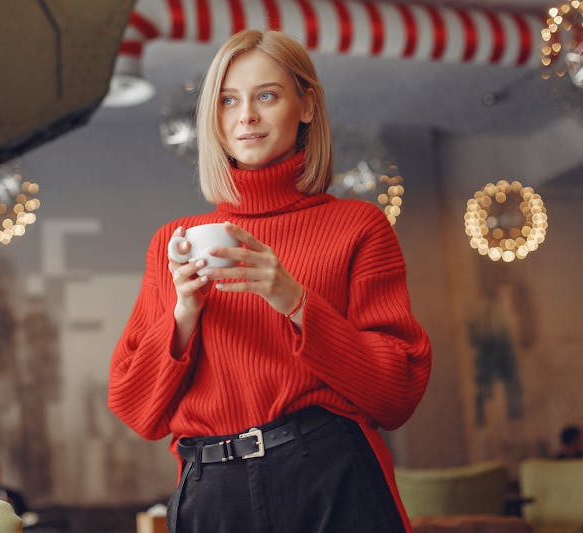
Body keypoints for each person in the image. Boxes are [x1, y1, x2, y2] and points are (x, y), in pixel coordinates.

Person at [108, 29, 431, 533]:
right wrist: (183, 316)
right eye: (228, 100)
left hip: (330, 475)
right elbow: (135, 408)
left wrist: (296, 301)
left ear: (306, 105)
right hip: (211, 492)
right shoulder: (175, 242)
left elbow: (398, 393)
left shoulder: (358, 226)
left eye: (267, 95)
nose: (246, 117)